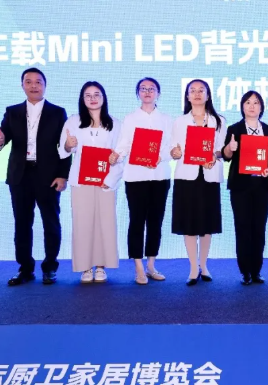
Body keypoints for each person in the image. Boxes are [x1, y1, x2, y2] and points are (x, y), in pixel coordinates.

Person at [0, 67, 71, 286]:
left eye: (38, 82)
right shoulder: (12, 112)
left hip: (48, 176)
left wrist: (63, 175)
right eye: (28, 82)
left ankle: (50, 267)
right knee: (22, 223)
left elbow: (65, 147)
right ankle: (25, 269)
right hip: (20, 176)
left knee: (51, 222)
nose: (33, 86)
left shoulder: (58, 112)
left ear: (45, 85)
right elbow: (2, 137)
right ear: (22, 85)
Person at [59, 81, 123, 283]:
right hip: (81, 180)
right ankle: (85, 267)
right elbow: (63, 150)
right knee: (83, 222)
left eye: (97, 94)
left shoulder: (115, 123)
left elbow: (121, 154)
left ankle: (101, 266)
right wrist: (68, 145)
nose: (93, 98)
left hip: (105, 180)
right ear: (82, 99)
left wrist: (111, 178)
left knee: (105, 222)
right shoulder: (73, 121)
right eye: (88, 95)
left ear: (104, 97)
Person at [112, 77, 173, 285]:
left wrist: (159, 157)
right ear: (138, 93)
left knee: (156, 221)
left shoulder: (166, 119)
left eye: (151, 89)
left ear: (158, 93)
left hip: (159, 176)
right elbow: (124, 144)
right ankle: (138, 267)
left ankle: (151, 265)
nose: (147, 92)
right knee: (137, 221)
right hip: (136, 177)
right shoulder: (130, 118)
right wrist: (116, 155)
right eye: (143, 89)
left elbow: (171, 148)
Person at [170, 79, 227, 286]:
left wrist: (215, 155)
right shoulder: (180, 121)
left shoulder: (218, 121)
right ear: (187, 96)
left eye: (201, 90)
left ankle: (204, 265)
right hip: (187, 177)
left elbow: (222, 150)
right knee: (189, 224)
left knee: (206, 224)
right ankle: (193, 268)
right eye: (192, 90)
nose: (196, 94)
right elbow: (173, 149)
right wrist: (175, 152)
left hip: (209, 176)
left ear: (208, 95)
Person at [221, 91, 268, 285]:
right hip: (241, 186)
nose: (252, 106)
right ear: (242, 106)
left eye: (256, 102)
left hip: (262, 184)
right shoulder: (234, 129)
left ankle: (256, 271)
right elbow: (226, 156)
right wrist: (230, 148)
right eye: (248, 102)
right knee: (242, 227)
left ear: (261, 107)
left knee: (259, 228)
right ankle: (245, 271)